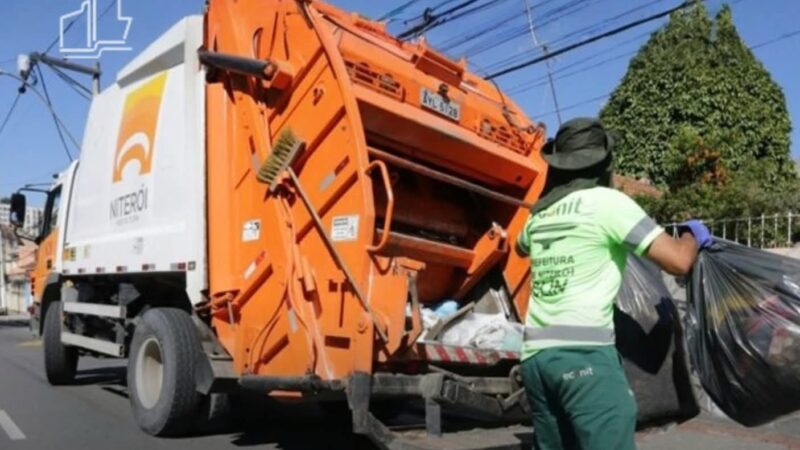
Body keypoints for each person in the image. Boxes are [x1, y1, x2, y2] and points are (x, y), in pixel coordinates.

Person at [516, 117, 712, 450]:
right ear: (603, 163)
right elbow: (678, 260)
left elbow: (519, 246)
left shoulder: (538, 216)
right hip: (584, 358)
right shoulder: (608, 204)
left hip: (535, 361)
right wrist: (693, 235)